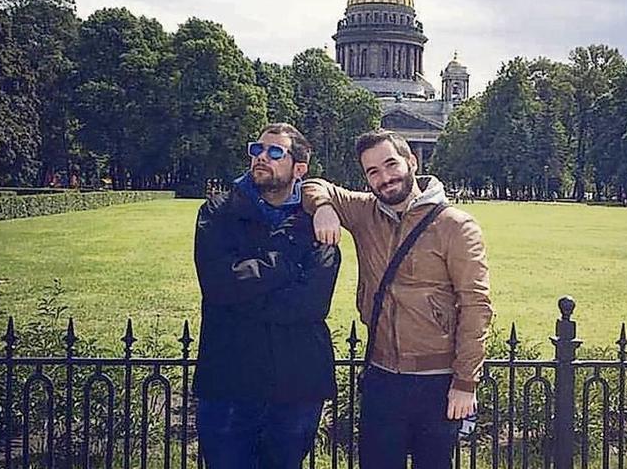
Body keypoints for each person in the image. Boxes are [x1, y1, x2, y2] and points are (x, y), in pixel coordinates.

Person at [303, 129, 492, 469]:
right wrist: (324, 209)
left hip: (437, 381)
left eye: (390, 165)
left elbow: (476, 306)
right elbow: (313, 185)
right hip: (382, 375)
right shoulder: (364, 213)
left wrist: (465, 383)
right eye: (372, 172)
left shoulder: (455, 225)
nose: (384, 178)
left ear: (412, 161)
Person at [193, 123, 341, 468]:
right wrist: (288, 259)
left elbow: (312, 304)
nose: (261, 157)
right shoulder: (217, 211)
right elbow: (219, 285)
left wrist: (245, 295)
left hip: (295, 385)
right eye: (256, 149)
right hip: (229, 381)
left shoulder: (320, 219)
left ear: (299, 169)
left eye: (275, 152)